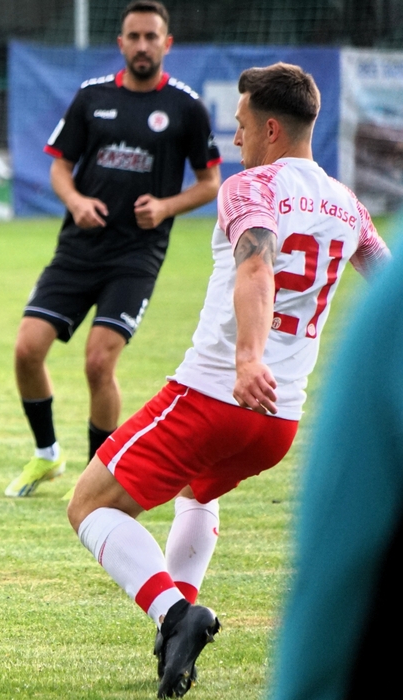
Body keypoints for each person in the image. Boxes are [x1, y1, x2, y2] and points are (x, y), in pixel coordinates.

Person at [64, 63, 389, 698]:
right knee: (197, 491)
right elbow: (387, 283)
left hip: (216, 394)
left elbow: (257, 268)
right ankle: (175, 636)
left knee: (89, 505)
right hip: (278, 422)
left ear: (271, 129)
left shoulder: (251, 188)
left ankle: (175, 615)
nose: (233, 139)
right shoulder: (348, 204)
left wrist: (247, 358)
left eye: (240, 125)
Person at [7, 0, 222, 498]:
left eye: (152, 37)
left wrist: (166, 206)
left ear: (167, 44)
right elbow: (60, 167)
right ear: (121, 43)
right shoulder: (92, 97)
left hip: (135, 258)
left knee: (98, 363)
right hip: (78, 249)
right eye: (134, 37)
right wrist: (76, 201)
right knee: (26, 350)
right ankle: (47, 455)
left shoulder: (186, 107)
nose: (143, 45)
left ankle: (93, 478)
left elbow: (210, 182)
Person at [271, 250, 402, 700]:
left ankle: (174, 612)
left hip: (241, 390)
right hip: (287, 405)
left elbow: (341, 551)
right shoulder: (353, 214)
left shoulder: (394, 304)